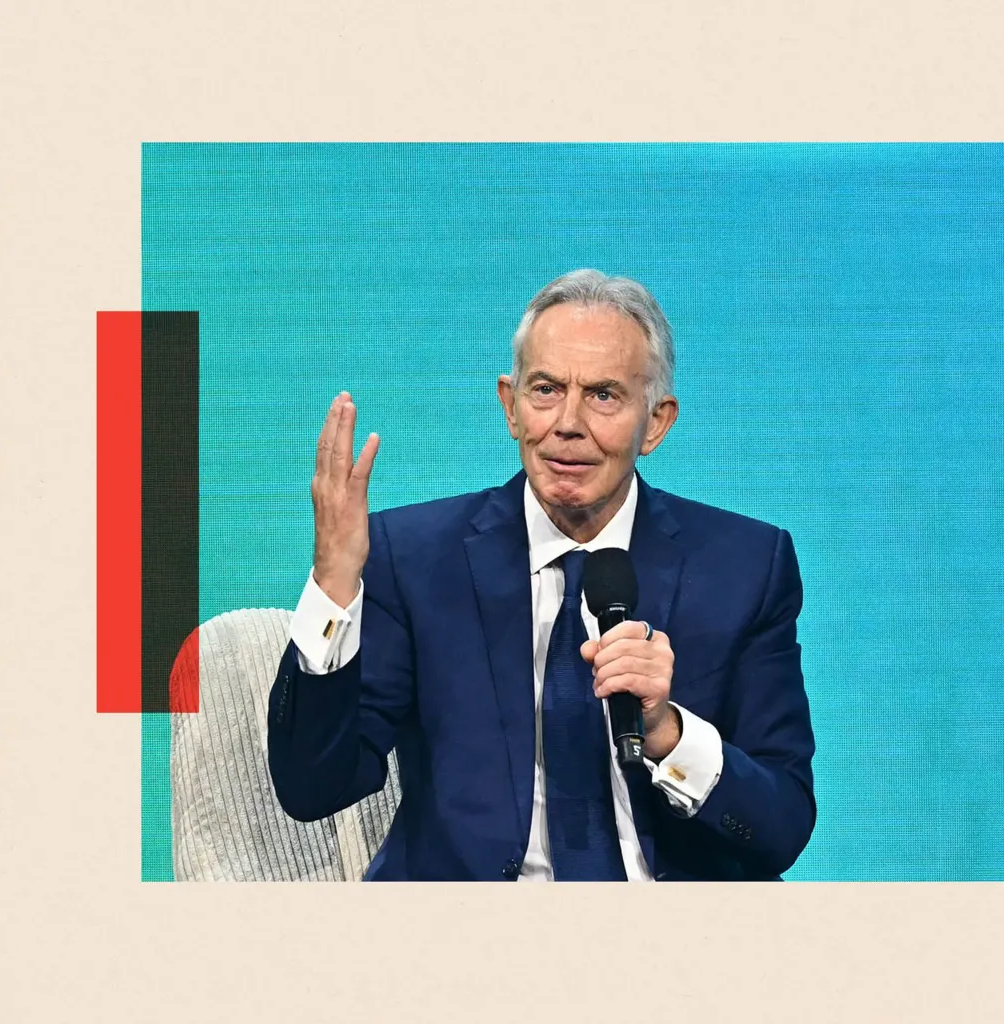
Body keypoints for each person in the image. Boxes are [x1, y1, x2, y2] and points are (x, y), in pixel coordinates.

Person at [266, 269, 816, 880]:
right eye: (546, 389)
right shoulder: (417, 558)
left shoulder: (743, 567)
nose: (568, 423)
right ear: (509, 404)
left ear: (656, 422)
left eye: (603, 395)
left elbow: (781, 826)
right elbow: (314, 787)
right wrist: (333, 588)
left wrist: (667, 731)